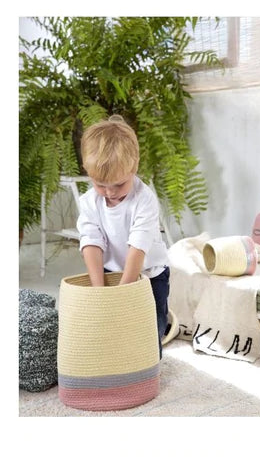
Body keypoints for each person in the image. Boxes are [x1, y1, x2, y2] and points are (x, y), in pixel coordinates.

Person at [77, 115, 170, 358]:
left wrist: (122, 294)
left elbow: (138, 247)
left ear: (134, 167)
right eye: (100, 184)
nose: (109, 192)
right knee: (111, 328)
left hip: (149, 274)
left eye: (119, 184)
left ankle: (148, 365)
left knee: (149, 327)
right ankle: (117, 361)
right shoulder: (89, 201)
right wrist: (100, 291)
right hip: (111, 270)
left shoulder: (144, 200)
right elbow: (91, 242)